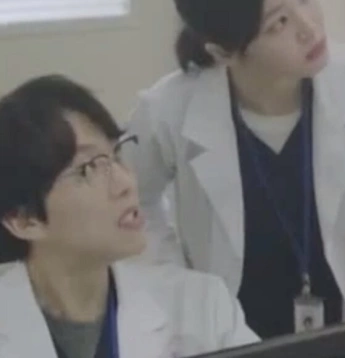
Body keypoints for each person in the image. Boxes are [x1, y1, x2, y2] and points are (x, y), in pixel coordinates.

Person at [124, 0, 345, 339]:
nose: (309, 26)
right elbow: (134, 201)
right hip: (231, 330)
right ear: (223, 52)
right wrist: (176, 282)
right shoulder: (167, 112)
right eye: (278, 23)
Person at [0, 74, 258, 357]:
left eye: (116, 155)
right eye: (88, 168)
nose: (125, 183)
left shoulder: (201, 308)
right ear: (23, 220)